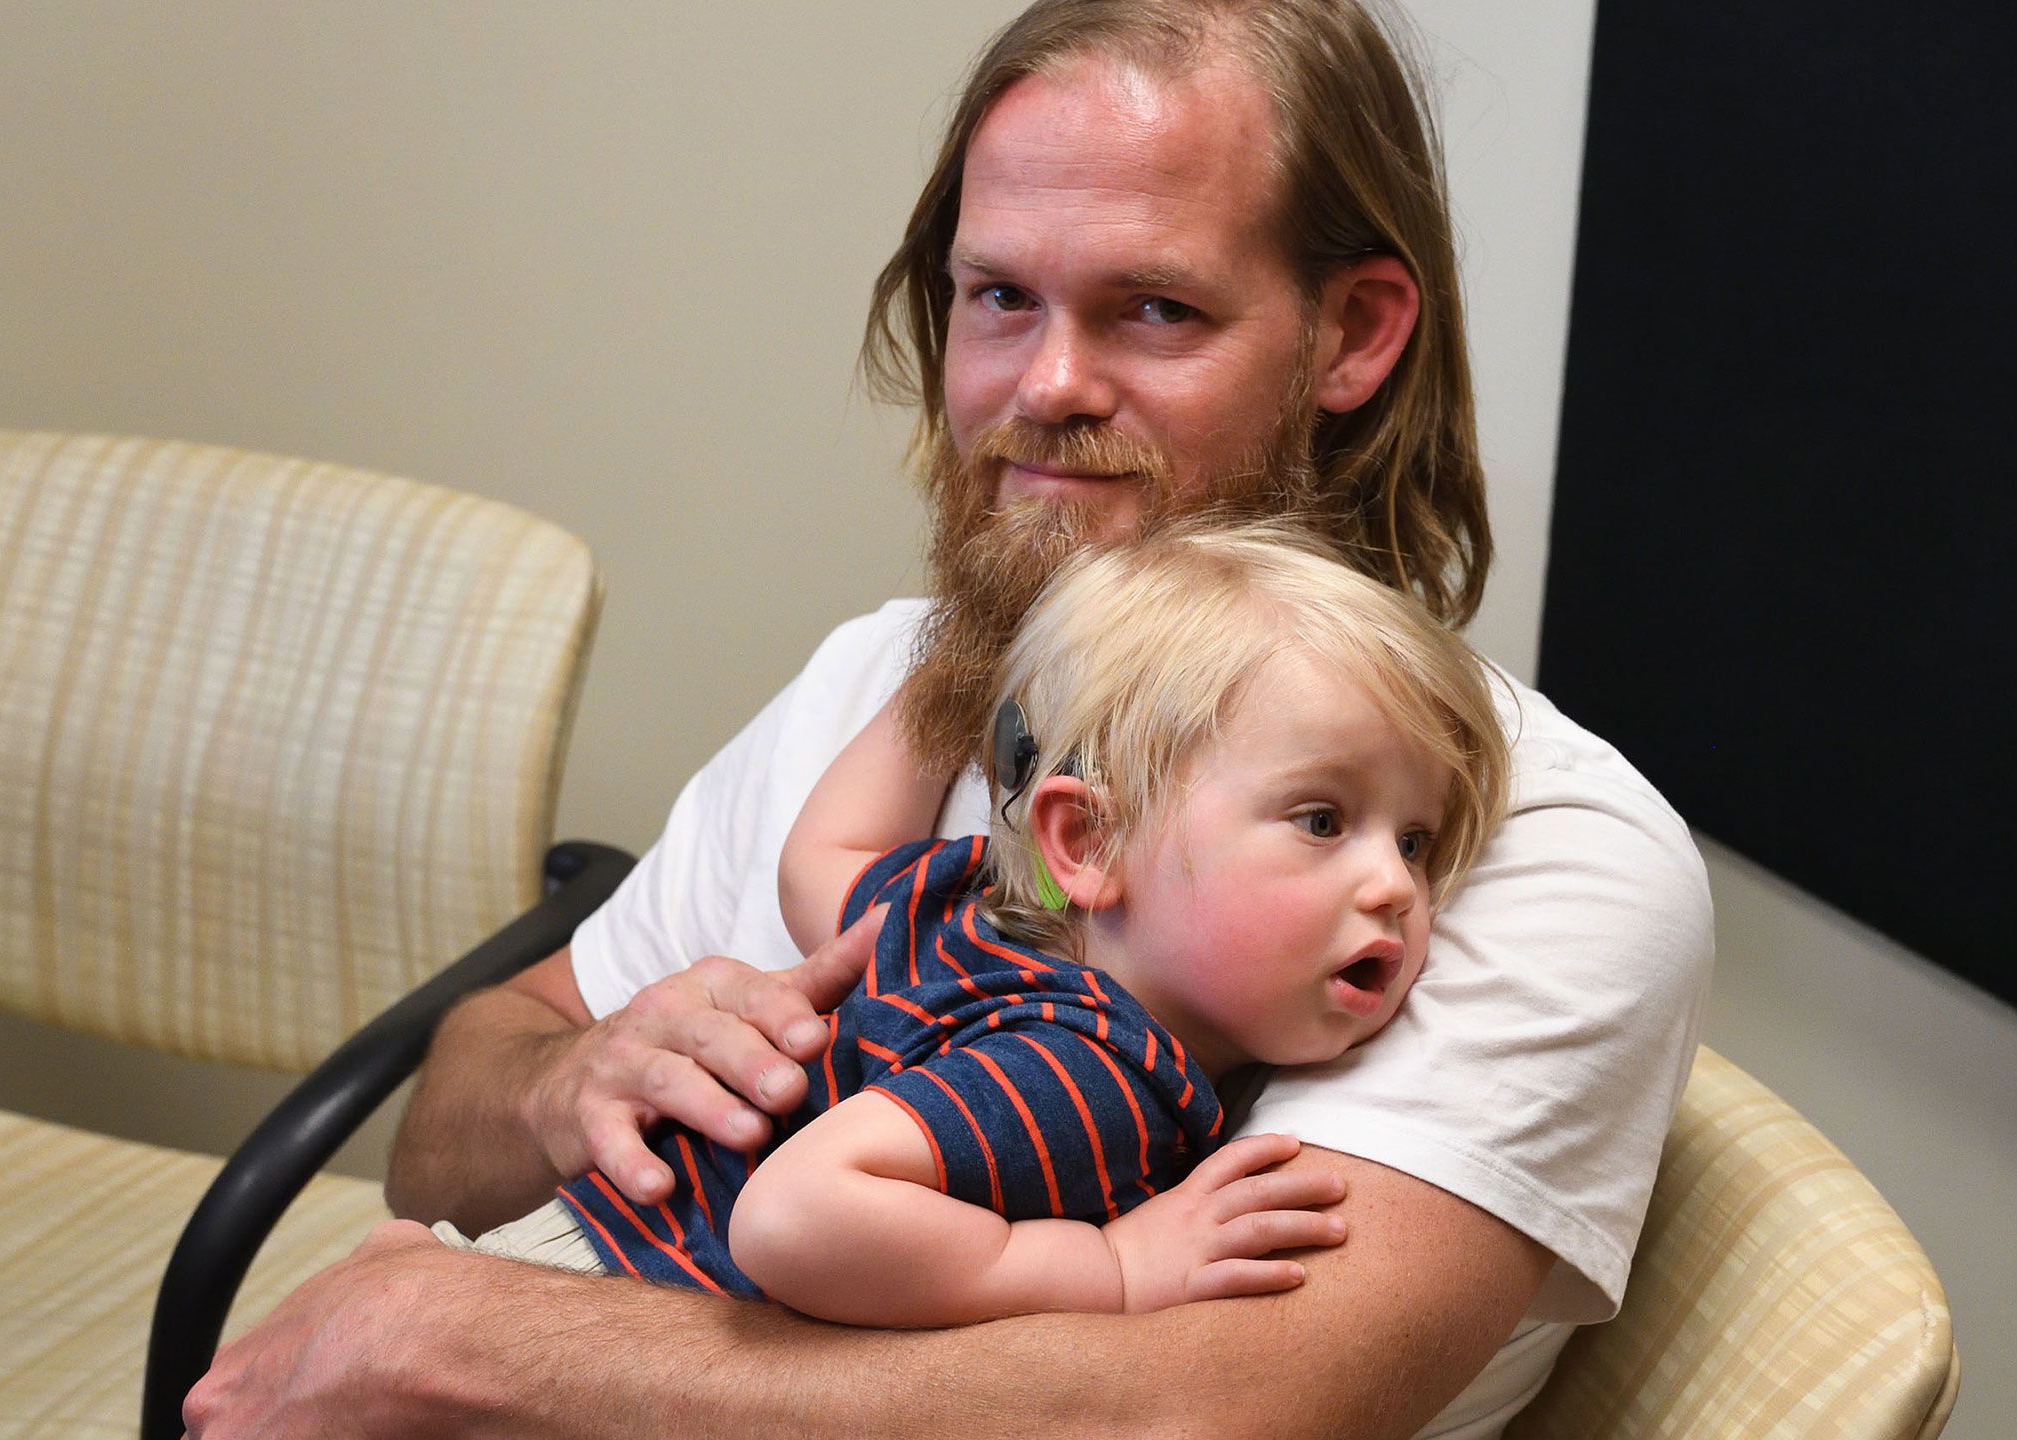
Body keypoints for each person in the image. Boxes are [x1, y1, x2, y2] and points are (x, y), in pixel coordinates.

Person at [186, 2, 1713, 1436]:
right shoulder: (900, 683)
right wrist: (561, 1084)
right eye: (999, 297)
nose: (1043, 385)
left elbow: (1223, 1405)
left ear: (1355, 335)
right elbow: (444, 1132)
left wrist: (461, 1343)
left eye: (1155, 308)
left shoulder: (1538, 847)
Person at [442, 521, 1509, 1328]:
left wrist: (956, 673)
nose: (1396, 888)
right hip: (598, 1312)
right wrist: (1117, 1271)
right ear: (1084, 847)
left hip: (528, 1270)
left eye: (1415, 841)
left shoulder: (972, 913)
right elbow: (796, 1215)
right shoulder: (1094, 1074)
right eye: (1322, 820)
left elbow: (822, 863)